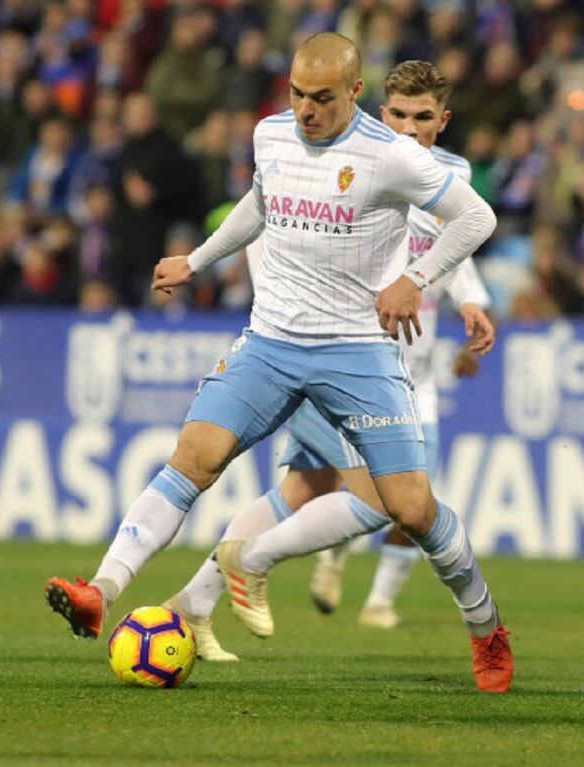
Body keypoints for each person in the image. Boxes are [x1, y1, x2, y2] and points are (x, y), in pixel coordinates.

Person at [45, 33, 514, 694]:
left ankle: (486, 625)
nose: (306, 109)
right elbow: (262, 205)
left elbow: (476, 216)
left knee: (409, 508)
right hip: (270, 341)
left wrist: (416, 276)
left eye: (322, 98)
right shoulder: (271, 135)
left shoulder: (391, 157)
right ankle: (101, 589)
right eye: (297, 93)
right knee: (194, 456)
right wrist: (198, 259)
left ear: (355, 92)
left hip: (356, 350)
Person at [162, 60, 493, 661]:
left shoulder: (443, 174)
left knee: (305, 490)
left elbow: (456, 240)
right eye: (397, 114)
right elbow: (272, 232)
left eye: (423, 118)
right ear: (375, 110)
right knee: (382, 500)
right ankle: (252, 569)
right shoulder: (332, 157)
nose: (409, 128)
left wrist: (471, 301)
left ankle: (192, 605)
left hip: (402, 368)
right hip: (328, 353)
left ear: (442, 123)